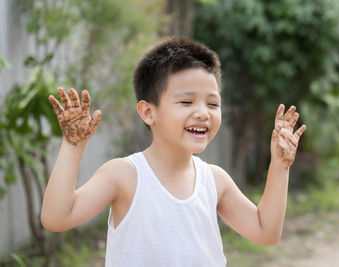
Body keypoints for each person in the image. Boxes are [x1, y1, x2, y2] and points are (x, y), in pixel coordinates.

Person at [41, 37, 306, 266]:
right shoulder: (124, 176)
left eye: (213, 104)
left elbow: (265, 231)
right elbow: (56, 217)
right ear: (148, 112)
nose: (203, 113)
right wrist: (73, 145)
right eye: (186, 101)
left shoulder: (214, 180)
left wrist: (280, 165)